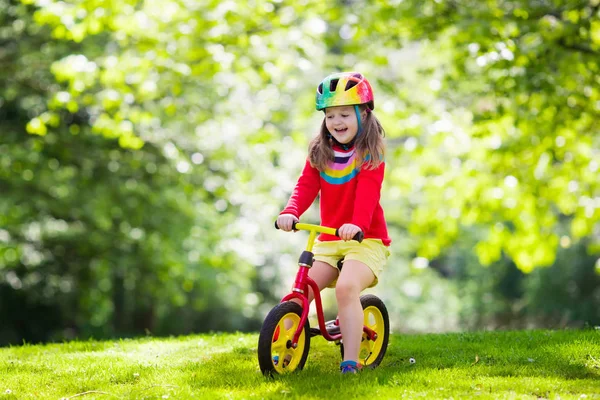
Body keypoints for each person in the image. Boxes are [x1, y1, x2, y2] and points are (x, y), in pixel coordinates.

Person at [276, 71, 391, 374]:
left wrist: (356, 224)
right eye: (330, 116)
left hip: (365, 239)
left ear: (363, 113)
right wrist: (291, 211)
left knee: (346, 288)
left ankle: (350, 362)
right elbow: (305, 186)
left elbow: (367, 194)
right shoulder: (320, 151)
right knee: (302, 290)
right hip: (329, 239)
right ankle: (283, 351)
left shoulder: (370, 153)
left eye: (344, 114)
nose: (337, 122)